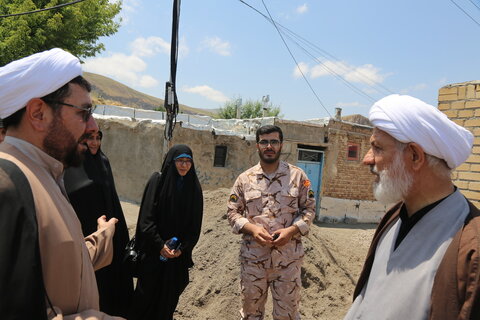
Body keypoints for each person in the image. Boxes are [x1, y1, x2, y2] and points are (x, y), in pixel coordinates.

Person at [0, 48, 123, 319]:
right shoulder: (7, 183)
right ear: (38, 114)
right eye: (84, 112)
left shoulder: (47, 175)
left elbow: (57, 264)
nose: (92, 125)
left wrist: (102, 237)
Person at [344, 94, 480, 320]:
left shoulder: (470, 250)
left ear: (415, 156)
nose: (367, 159)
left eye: (377, 148)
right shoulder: (394, 217)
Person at [227, 125, 316, 320]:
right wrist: (252, 229)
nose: (269, 146)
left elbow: (309, 209)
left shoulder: (298, 176)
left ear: (281, 145)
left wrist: (291, 231)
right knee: (251, 315)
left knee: (287, 315)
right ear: (257, 145)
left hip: (288, 263)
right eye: (264, 142)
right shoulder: (244, 179)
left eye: (274, 142)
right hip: (253, 262)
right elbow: (232, 213)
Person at [129, 144, 203, 320]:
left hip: (176, 259)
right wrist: (159, 245)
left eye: (188, 161)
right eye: (180, 161)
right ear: (171, 162)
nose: (184, 165)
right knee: (145, 300)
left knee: (167, 303)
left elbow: (195, 227)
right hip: (153, 255)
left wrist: (182, 249)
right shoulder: (158, 181)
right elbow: (146, 219)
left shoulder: (194, 188)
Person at [64, 129, 133, 317]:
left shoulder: (103, 162)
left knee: (110, 276)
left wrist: (116, 232)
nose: (94, 143)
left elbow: (111, 197)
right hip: (85, 232)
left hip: (107, 230)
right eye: (89, 138)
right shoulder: (72, 166)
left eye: (98, 138)